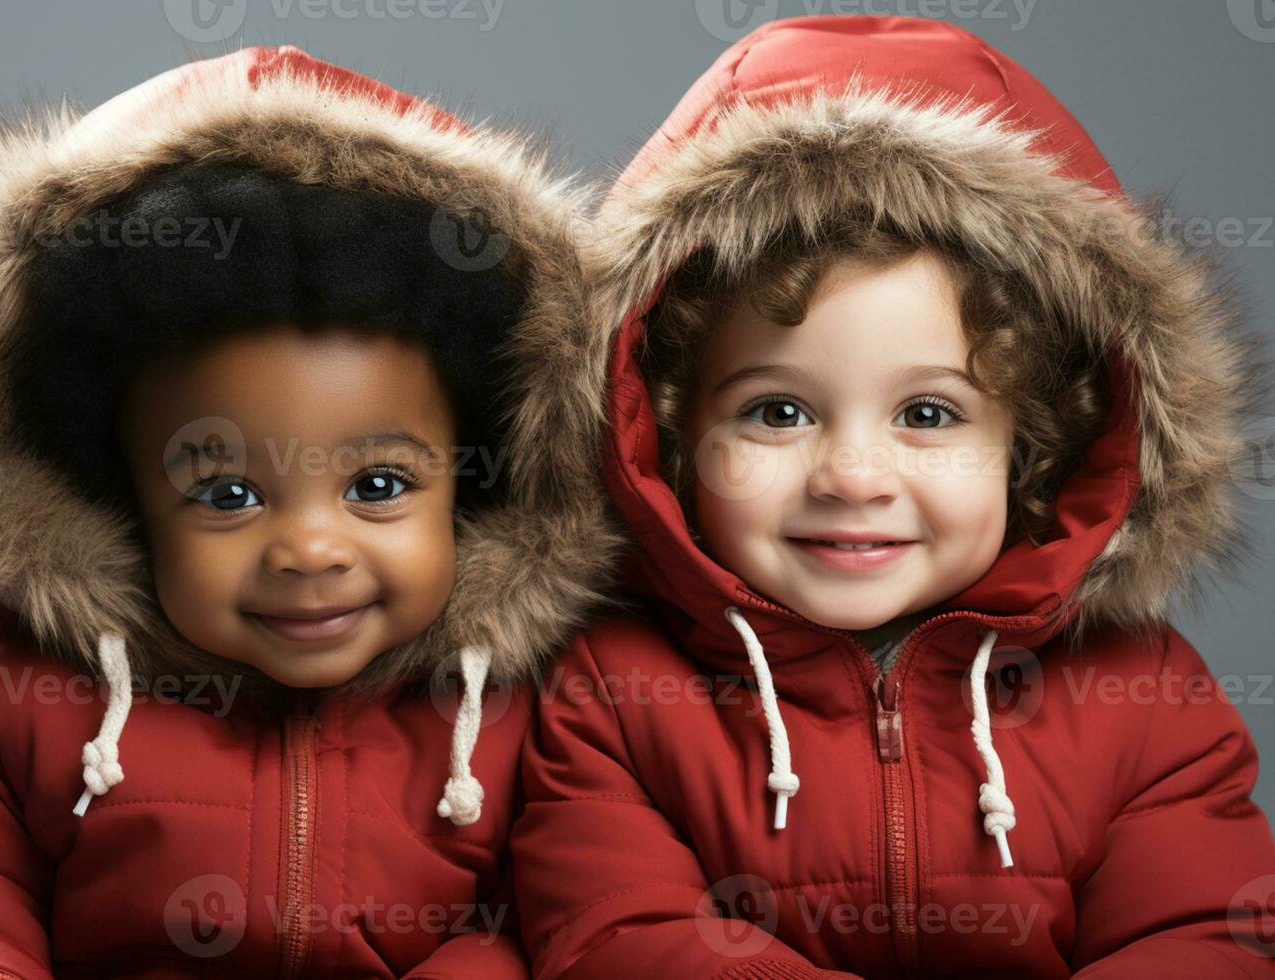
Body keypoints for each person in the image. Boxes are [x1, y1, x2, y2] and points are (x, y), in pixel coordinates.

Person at [0, 45, 621, 979]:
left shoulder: (538, 705)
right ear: (114, 503)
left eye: (380, 486)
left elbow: (561, 921)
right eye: (228, 495)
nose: (312, 547)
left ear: (479, 481)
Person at [512, 15, 1275, 978]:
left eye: (927, 414)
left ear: (1034, 448)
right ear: (663, 436)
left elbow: (1209, 933)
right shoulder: (613, 693)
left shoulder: (1144, 694)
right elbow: (620, 938)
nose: (854, 476)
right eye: (778, 412)